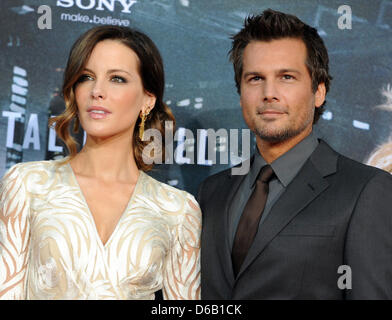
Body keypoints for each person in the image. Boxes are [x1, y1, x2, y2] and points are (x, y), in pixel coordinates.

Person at [198, 9, 392, 299]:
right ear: (240, 93)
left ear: (319, 93)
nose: (269, 93)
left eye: (286, 77)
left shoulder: (367, 190)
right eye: (255, 78)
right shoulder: (210, 192)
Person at [0, 26, 201, 300]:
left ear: (147, 100)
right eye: (86, 77)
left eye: (117, 78)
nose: (97, 90)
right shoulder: (27, 185)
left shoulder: (178, 209)